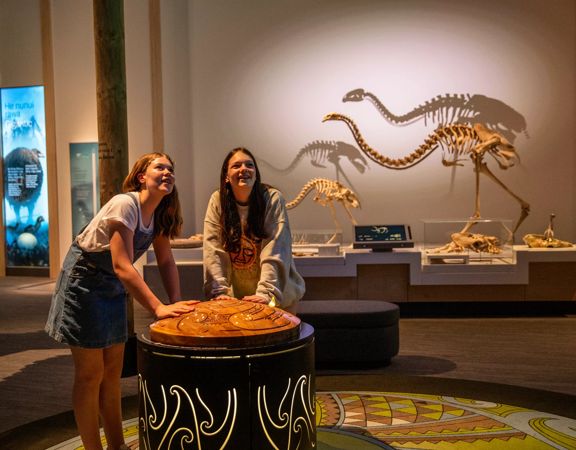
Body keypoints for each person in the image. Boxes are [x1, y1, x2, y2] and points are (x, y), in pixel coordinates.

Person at [45, 152, 197, 450]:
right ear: (142, 176)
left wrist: (176, 303)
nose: (167, 172)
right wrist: (158, 307)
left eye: (170, 168)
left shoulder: (160, 213)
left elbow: (166, 261)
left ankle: (116, 445)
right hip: (84, 283)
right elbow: (122, 265)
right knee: (90, 375)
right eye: (159, 167)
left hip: (112, 288)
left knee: (112, 374)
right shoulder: (125, 204)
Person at [203, 147, 305, 313]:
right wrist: (218, 292)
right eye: (236, 166)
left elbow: (275, 249)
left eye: (249, 165)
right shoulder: (217, 200)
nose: (244, 169)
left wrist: (266, 294)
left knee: (276, 338)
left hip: (275, 300)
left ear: (256, 174)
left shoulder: (272, 199)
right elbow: (213, 249)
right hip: (237, 300)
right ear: (226, 176)